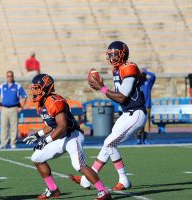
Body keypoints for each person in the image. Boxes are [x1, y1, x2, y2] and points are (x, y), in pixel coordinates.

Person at [70, 41, 147, 191]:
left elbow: (122, 97)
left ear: (123, 54)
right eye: (110, 54)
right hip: (126, 113)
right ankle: (86, 179)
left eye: (115, 54)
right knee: (107, 144)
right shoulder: (116, 70)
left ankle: (124, 179)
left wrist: (101, 88)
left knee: (110, 143)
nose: (112, 57)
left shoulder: (128, 67)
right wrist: (103, 88)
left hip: (136, 113)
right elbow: (120, 95)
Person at [23, 74, 112, 200]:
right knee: (36, 157)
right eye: (33, 88)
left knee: (79, 165)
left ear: (46, 88)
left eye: (37, 88)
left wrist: (46, 140)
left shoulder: (54, 101)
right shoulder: (42, 102)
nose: (34, 91)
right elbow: (51, 125)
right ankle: (53, 189)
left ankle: (104, 191)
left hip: (72, 136)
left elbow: (62, 126)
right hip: (61, 137)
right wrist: (38, 135)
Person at [0, 71, 27, 149]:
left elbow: (24, 96)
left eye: (11, 76)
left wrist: (21, 107)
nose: (9, 77)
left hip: (14, 108)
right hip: (4, 109)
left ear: (13, 76)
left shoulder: (17, 86)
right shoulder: (2, 86)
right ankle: (3, 143)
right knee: (3, 126)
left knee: (14, 127)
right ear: (6, 77)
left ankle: (13, 143)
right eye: (8, 76)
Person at [136, 68, 156, 144]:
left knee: (147, 123)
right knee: (139, 123)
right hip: (139, 106)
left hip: (147, 106)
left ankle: (145, 139)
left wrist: (146, 71)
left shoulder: (148, 82)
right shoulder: (138, 83)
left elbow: (153, 76)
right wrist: (138, 72)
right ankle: (138, 139)